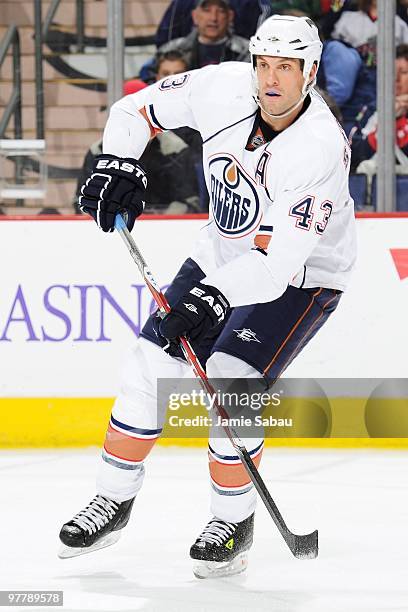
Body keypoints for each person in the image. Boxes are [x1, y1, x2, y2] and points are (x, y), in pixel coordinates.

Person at [59, 15, 357, 578]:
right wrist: (120, 161)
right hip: (221, 251)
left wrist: (208, 301)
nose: (271, 80)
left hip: (302, 275)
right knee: (148, 363)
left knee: (231, 377)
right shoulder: (220, 87)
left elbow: (273, 268)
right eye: (263, 65)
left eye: (286, 68)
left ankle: (233, 520)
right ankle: (112, 499)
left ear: (310, 72)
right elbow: (133, 112)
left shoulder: (319, 149)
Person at [350, 44, 408, 169]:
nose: (396, 79)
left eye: (403, 72)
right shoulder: (372, 109)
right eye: (392, 72)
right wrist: (383, 126)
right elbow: (353, 154)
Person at [157, 0, 250, 70]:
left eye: (221, 11)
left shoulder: (247, 52)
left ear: (230, 16)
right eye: (207, 10)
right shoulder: (174, 49)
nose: (213, 18)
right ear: (194, 16)